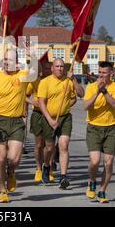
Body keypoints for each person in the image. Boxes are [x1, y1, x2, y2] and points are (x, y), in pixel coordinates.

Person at [0, 49, 31, 203]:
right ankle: (2, 190)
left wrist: (31, 56)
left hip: (16, 122)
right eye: (6, 59)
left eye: (12, 60)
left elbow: (38, 69)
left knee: (14, 158)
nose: (8, 62)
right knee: (0, 158)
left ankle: (11, 173)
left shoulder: (23, 76)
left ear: (17, 63)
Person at [37, 58, 84, 188]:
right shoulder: (45, 82)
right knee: (49, 148)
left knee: (64, 145)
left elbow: (80, 94)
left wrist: (73, 79)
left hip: (65, 118)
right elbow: (41, 103)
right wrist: (51, 120)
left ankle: (63, 177)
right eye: (57, 66)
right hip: (48, 118)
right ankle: (46, 166)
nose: (59, 69)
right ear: (52, 68)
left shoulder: (68, 81)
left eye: (62, 66)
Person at [83, 61, 115, 204]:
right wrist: (97, 92)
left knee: (108, 163)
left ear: (111, 73)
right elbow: (86, 106)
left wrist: (105, 91)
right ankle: (92, 181)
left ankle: (102, 190)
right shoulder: (91, 87)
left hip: (111, 128)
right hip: (94, 127)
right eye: (99, 72)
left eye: (104, 73)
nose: (101, 75)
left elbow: (114, 104)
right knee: (94, 161)